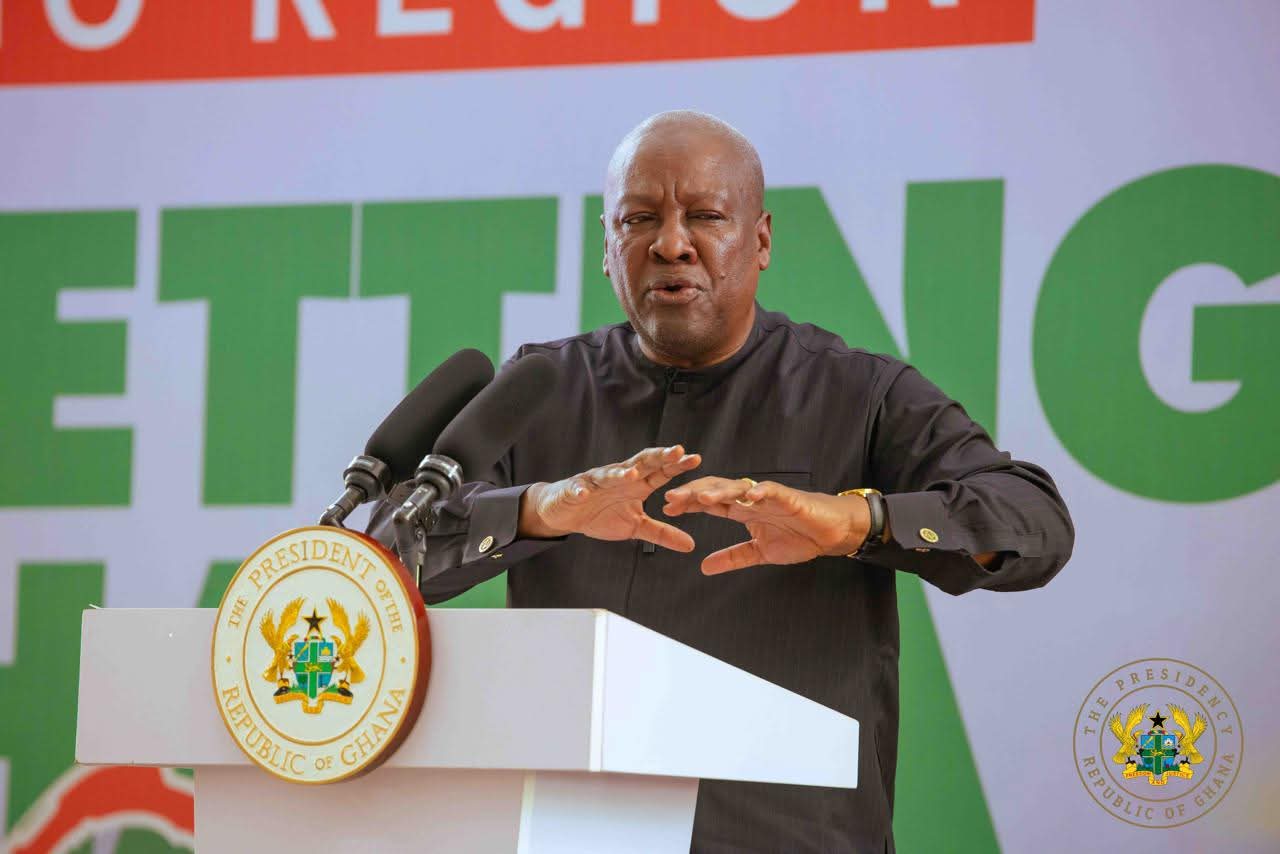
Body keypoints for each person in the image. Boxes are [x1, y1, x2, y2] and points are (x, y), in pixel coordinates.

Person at [370, 110, 1074, 852]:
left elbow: (1035, 520)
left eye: (705, 216)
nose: (671, 244)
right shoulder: (540, 387)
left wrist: (855, 522)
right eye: (640, 219)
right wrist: (542, 510)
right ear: (607, 247)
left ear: (761, 240)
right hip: (570, 831)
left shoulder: (858, 393)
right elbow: (380, 560)